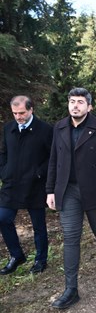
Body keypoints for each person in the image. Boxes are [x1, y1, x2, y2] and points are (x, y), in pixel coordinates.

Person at [46, 88, 96, 309]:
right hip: (67, 191)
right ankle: (71, 289)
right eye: (72, 101)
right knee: (70, 237)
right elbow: (53, 159)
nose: (75, 105)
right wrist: (50, 189)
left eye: (80, 102)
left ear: (89, 106)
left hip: (95, 192)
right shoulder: (59, 127)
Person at [0, 96, 52, 275]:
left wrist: (39, 173)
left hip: (34, 185)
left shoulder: (45, 130)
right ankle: (16, 256)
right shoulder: (8, 128)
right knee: (3, 218)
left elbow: (52, 156)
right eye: (15, 113)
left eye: (22, 113)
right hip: (11, 184)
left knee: (38, 225)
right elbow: (3, 152)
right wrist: (4, 171)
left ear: (31, 110)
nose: (18, 117)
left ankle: (40, 259)